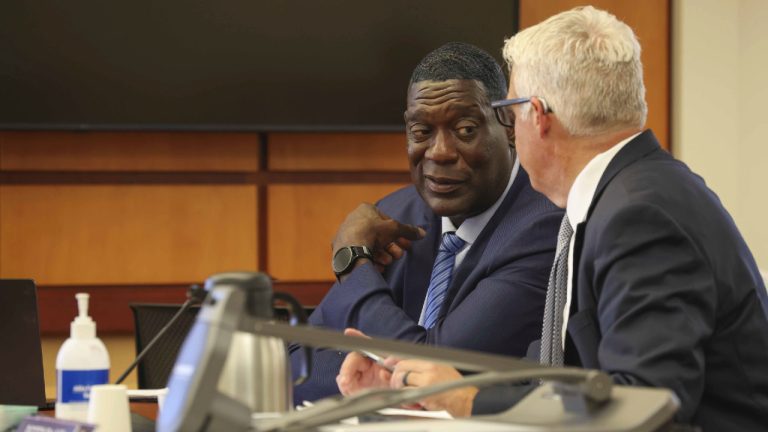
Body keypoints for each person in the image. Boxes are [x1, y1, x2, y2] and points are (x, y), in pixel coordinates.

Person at [337, 7, 768, 430]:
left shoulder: (640, 215)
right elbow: (557, 370)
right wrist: (416, 388)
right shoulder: (621, 195)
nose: (510, 127)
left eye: (509, 109)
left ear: (537, 116)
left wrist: (468, 399)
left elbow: (644, 405)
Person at [290, 42, 563, 403]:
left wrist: (353, 262)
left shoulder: (544, 226)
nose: (439, 152)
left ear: (509, 125)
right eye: (421, 132)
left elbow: (436, 361)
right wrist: (389, 382)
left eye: (465, 129)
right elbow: (296, 362)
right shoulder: (394, 214)